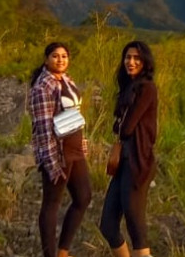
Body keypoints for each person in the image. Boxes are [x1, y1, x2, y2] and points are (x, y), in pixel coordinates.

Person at [29, 42, 92, 257]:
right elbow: (43, 127)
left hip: (75, 149)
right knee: (52, 204)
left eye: (64, 56)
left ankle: (63, 251)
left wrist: (82, 145)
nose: (60, 59)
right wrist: (52, 162)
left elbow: (76, 115)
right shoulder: (42, 87)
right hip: (58, 152)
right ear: (46, 59)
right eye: (55, 56)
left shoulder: (67, 80)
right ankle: (50, 254)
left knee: (83, 197)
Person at [100, 41, 158, 257]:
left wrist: (122, 125)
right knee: (107, 225)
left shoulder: (147, 88)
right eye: (127, 57)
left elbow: (126, 127)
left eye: (136, 58)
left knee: (136, 228)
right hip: (124, 161)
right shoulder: (129, 88)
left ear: (145, 62)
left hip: (138, 162)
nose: (131, 62)